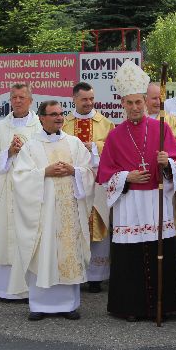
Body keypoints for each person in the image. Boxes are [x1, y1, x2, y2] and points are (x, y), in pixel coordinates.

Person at [97, 60, 176, 321]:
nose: (135, 107)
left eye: (139, 102)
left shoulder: (161, 129)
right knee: (131, 256)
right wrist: (128, 176)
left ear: (146, 103)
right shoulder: (114, 135)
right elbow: (104, 174)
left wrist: (167, 163)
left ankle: (165, 304)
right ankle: (131, 307)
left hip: (155, 200)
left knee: (160, 250)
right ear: (122, 104)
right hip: (130, 204)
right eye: (130, 103)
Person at [8, 100, 94, 321]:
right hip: (43, 214)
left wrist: (73, 170)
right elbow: (20, 178)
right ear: (42, 118)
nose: (58, 117)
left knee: (68, 253)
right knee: (43, 253)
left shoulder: (74, 143)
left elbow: (88, 172)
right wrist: (43, 172)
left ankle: (69, 305)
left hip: (68, 213)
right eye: (53, 114)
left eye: (60, 114)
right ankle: (39, 305)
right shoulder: (31, 146)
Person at [0, 84, 40, 301]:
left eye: (22, 97)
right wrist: (8, 152)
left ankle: (29, 287)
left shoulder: (39, 126)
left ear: (30, 100)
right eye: (14, 97)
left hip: (30, 190)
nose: (17, 101)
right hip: (6, 189)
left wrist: (23, 152)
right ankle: (4, 289)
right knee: (6, 235)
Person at [63, 82, 115, 294]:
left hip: (97, 184)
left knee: (98, 223)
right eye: (84, 99)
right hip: (72, 184)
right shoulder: (64, 123)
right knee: (75, 225)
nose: (89, 103)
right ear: (74, 99)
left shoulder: (105, 123)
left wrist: (93, 146)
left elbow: (112, 148)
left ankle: (96, 276)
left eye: (91, 98)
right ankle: (75, 272)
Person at [146, 82, 176, 148]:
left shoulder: (172, 121)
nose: (158, 102)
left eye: (160, 99)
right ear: (146, 99)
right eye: (154, 98)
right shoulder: (138, 119)